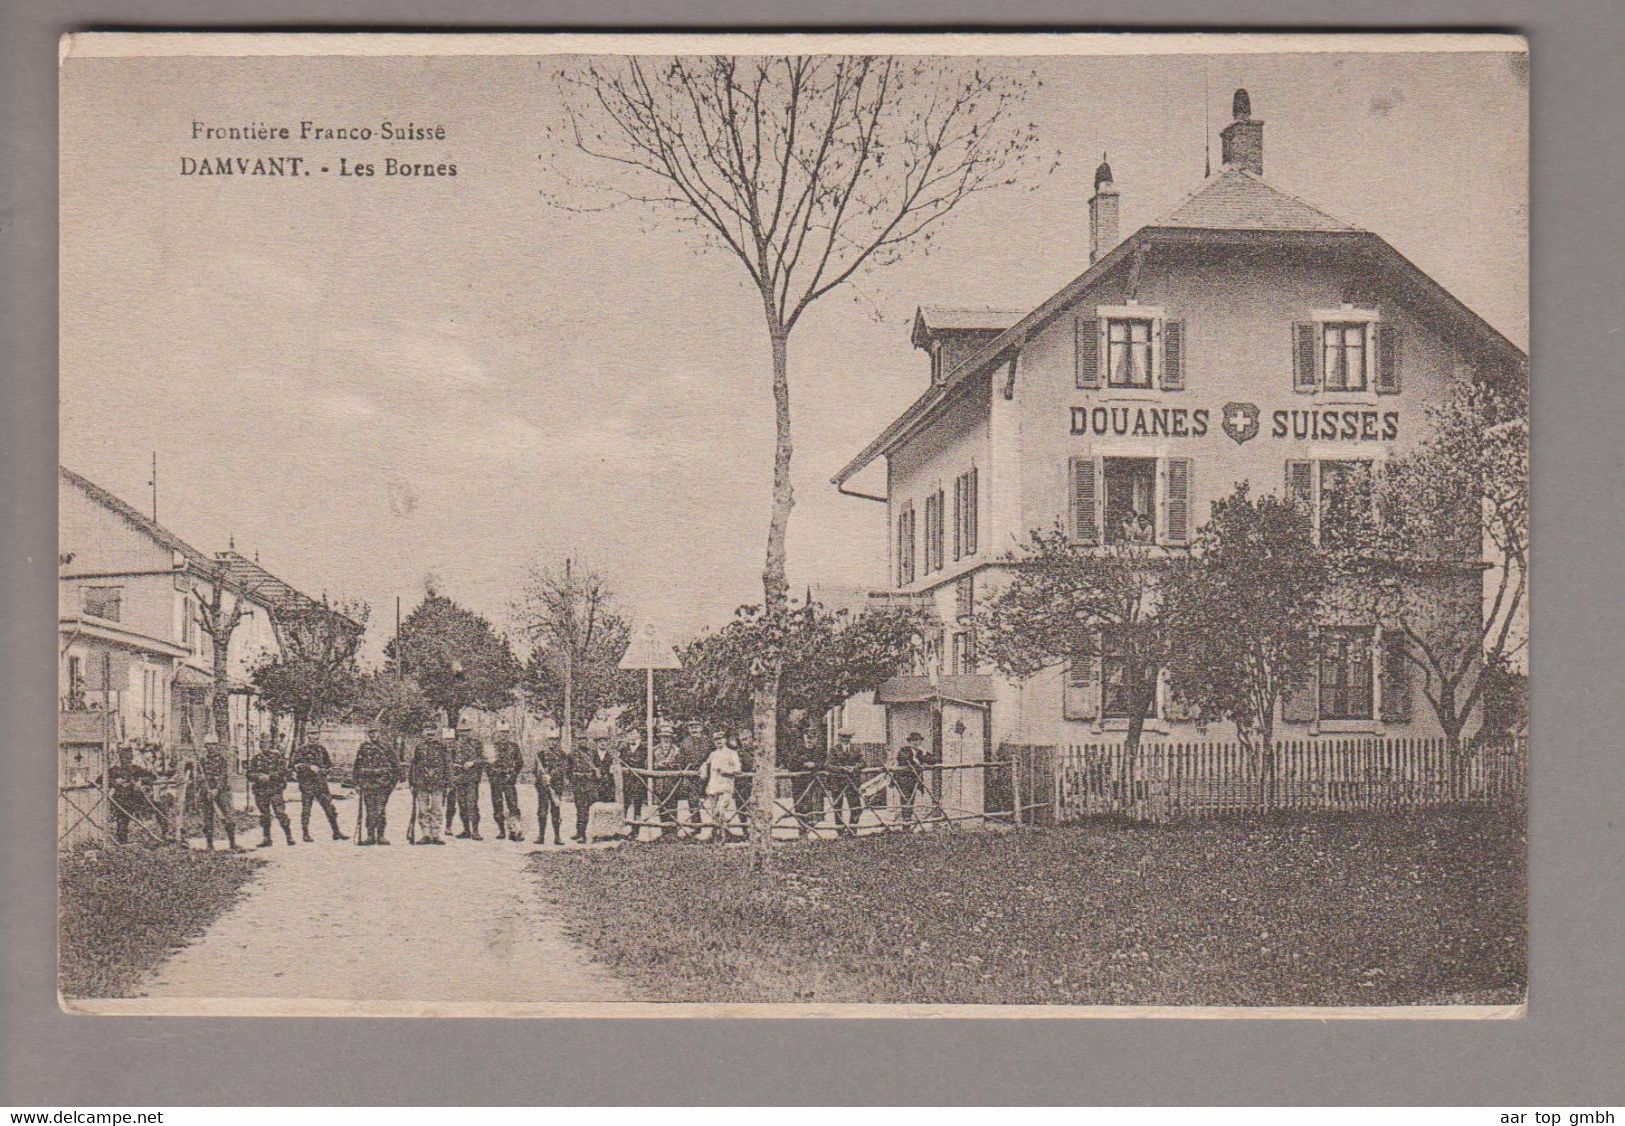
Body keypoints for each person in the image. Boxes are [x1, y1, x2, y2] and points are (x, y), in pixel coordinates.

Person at [103, 742, 170, 845]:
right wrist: (115, 782)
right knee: (122, 817)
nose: (127, 760)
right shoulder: (114, 770)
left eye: (129, 757)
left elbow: (152, 777)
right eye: (124, 757)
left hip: (136, 798)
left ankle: (166, 833)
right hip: (121, 799)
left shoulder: (135, 768)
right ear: (120, 757)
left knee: (158, 806)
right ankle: (122, 840)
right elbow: (100, 780)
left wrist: (141, 781)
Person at [290, 737, 348, 842]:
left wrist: (324, 771)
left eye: (316, 734)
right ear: (308, 736)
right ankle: (305, 834)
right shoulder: (301, 750)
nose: (314, 737)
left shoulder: (322, 749)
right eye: (311, 734)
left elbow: (329, 765)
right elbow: (295, 766)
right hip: (307, 784)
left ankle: (336, 832)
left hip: (321, 784)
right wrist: (309, 767)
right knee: (306, 810)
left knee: (330, 808)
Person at [352, 723, 399, 846]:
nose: (373, 735)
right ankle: (370, 836)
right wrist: (356, 783)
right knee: (370, 810)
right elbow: (357, 766)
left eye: (375, 732)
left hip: (383, 785)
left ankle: (381, 835)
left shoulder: (386, 747)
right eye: (370, 732)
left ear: (379, 732)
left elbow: (396, 765)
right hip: (368, 784)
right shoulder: (363, 747)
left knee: (380, 810)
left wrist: (392, 784)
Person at [246, 738, 296, 848]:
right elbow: (249, 774)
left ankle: (289, 836)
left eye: (267, 743)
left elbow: (283, 772)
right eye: (262, 743)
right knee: (265, 815)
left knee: (280, 813)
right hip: (261, 791)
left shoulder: (278, 758)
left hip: (275, 790)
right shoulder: (255, 759)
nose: (264, 745)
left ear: (270, 744)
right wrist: (258, 777)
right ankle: (266, 839)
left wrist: (270, 777)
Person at [192, 736, 238, 851]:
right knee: (207, 818)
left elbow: (223, 776)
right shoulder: (201, 761)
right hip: (206, 791)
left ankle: (232, 843)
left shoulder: (222, 760)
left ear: (217, 746)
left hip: (221, 792)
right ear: (206, 746)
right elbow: (197, 776)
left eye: (214, 744)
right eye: (209, 744)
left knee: (228, 816)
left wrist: (216, 790)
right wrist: (203, 785)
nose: (211, 747)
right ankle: (209, 844)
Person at [409, 724, 451, 845]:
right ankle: (426, 834)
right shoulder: (419, 747)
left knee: (437, 809)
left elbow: (448, 765)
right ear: (423, 732)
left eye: (432, 731)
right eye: (427, 730)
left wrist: (449, 783)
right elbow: (414, 766)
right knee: (423, 809)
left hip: (438, 782)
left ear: (436, 732)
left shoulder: (442, 747)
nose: (429, 733)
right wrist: (412, 782)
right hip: (422, 782)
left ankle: (436, 834)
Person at [565, 738, 612, 844]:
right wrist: (573, 780)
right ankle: (579, 832)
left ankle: (583, 835)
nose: (583, 742)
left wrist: (594, 777)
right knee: (579, 809)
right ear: (577, 741)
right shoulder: (572, 754)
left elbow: (599, 768)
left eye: (585, 740)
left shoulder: (593, 753)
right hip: (578, 785)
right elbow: (567, 770)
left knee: (585, 810)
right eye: (580, 740)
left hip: (590, 785)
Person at [700, 733, 744, 842]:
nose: (718, 742)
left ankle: (723, 834)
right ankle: (719, 835)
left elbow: (738, 769)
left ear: (725, 739)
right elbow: (706, 763)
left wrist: (727, 771)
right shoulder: (713, 754)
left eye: (720, 739)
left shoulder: (732, 753)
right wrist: (704, 769)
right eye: (715, 740)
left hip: (725, 785)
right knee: (714, 812)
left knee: (720, 811)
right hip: (713, 786)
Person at [824, 728, 865, 838]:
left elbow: (863, 762)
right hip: (837, 782)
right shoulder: (834, 750)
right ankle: (840, 832)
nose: (845, 739)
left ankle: (852, 830)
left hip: (852, 782)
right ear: (840, 738)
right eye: (843, 737)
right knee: (838, 808)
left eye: (847, 737)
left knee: (856, 807)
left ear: (850, 738)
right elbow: (828, 765)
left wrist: (854, 768)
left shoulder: (856, 749)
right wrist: (841, 768)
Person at [488, 721, 524, 842]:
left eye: (505, 732)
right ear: (497, 733)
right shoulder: (492, 746)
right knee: (497, 805)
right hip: (496, 780)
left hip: (509, 779)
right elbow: (487, 764)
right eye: (501, 732)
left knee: (512, 805)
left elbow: (520, 762)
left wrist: (513, 775)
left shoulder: (514, 746)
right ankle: (501, 830)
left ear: (508, 733)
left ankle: (514, 831)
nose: (503, 735)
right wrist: (492, 777)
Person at [788, 727, 826, 838]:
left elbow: (825, 764)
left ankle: (811, 831)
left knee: (813, 808)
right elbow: (791, 765)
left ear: (816, 739)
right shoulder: (798, 750)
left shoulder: (820, 751)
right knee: (800, 807)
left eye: (812, 738)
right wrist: (803, 764)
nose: (810, 741)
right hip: (800, 784)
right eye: (808, 738)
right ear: (804, 738)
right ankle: (802, 832)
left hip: (814, 784)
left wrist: (815, 765)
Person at [451, 718, 485, 840]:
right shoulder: (454, 745)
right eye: (461, 731)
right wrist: (453, 765)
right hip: (459, 779)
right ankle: (466, 830)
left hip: (472, 779)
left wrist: (473, 762)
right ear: (458, 732)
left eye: (466, 731)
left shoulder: (476, 744)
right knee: (462, 805)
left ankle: (475, 831)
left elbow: (483, 759)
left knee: (472, 804)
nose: (463, 733)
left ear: (470, 731)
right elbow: (448, 760)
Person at [648, 722, 681, 838]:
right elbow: (648, 764)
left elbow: (681, 764)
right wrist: (657, 765)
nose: (666, 740)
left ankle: (673, 833)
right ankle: (664, 832)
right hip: (659, 784)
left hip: (673, 784)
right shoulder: (653, 750)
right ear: (660, 738)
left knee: (672, 808)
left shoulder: (677, 750)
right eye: (663, 737)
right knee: (661, 807)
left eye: (668, 738)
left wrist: (673, 765)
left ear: (672, 739)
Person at [676, 721, 710, 834]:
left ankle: (716, 828)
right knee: (693, 801)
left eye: (696, 727)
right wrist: (685, 770)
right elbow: (680, 759)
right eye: (691, 727)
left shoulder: (708, 741)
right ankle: (696, 827)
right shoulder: (685, 743)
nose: (694, 729)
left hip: (707, 775)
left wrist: (706, 766)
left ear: (701, 728)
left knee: (713, 801)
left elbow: (714, 756)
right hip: (692, 777)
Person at [893, 731, 931, 827]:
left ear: (920, 741)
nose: (915, 743)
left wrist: (924, 755)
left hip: (915, 779)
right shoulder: (904, 750)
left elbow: (934, 759)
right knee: (906, 800)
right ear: (909, 742)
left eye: (917, 740)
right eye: (913, 740)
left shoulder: (921, 751)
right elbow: (903, 759)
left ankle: (907, 824)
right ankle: (905, 826)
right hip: (903, 779)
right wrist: (920, 759)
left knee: (911, 800)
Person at [532, 739, 565, 846]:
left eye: (555, 740)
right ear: (547, 741)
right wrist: (542, 776)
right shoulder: (540, 754)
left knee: (556, 811)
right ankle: (541, 836)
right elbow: (534, 770)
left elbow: (563, 768)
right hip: (543, 787)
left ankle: (557, 837)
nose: (552, 742)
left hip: (556, 787)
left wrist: (551, 776)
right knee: (542, 811)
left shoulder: (562, 754)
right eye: (550, 740)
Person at [618, 731, 647, 840]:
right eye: (629, 735)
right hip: (626, 783)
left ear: (638, 737)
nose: (630, 737)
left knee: (637, 808)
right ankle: (621, 830)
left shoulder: (645, 749)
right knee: (624, 807)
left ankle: (635, 831)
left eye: (633, 736)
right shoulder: (624, 749)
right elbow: (620, 762)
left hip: (639, 783)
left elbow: (643, 763)